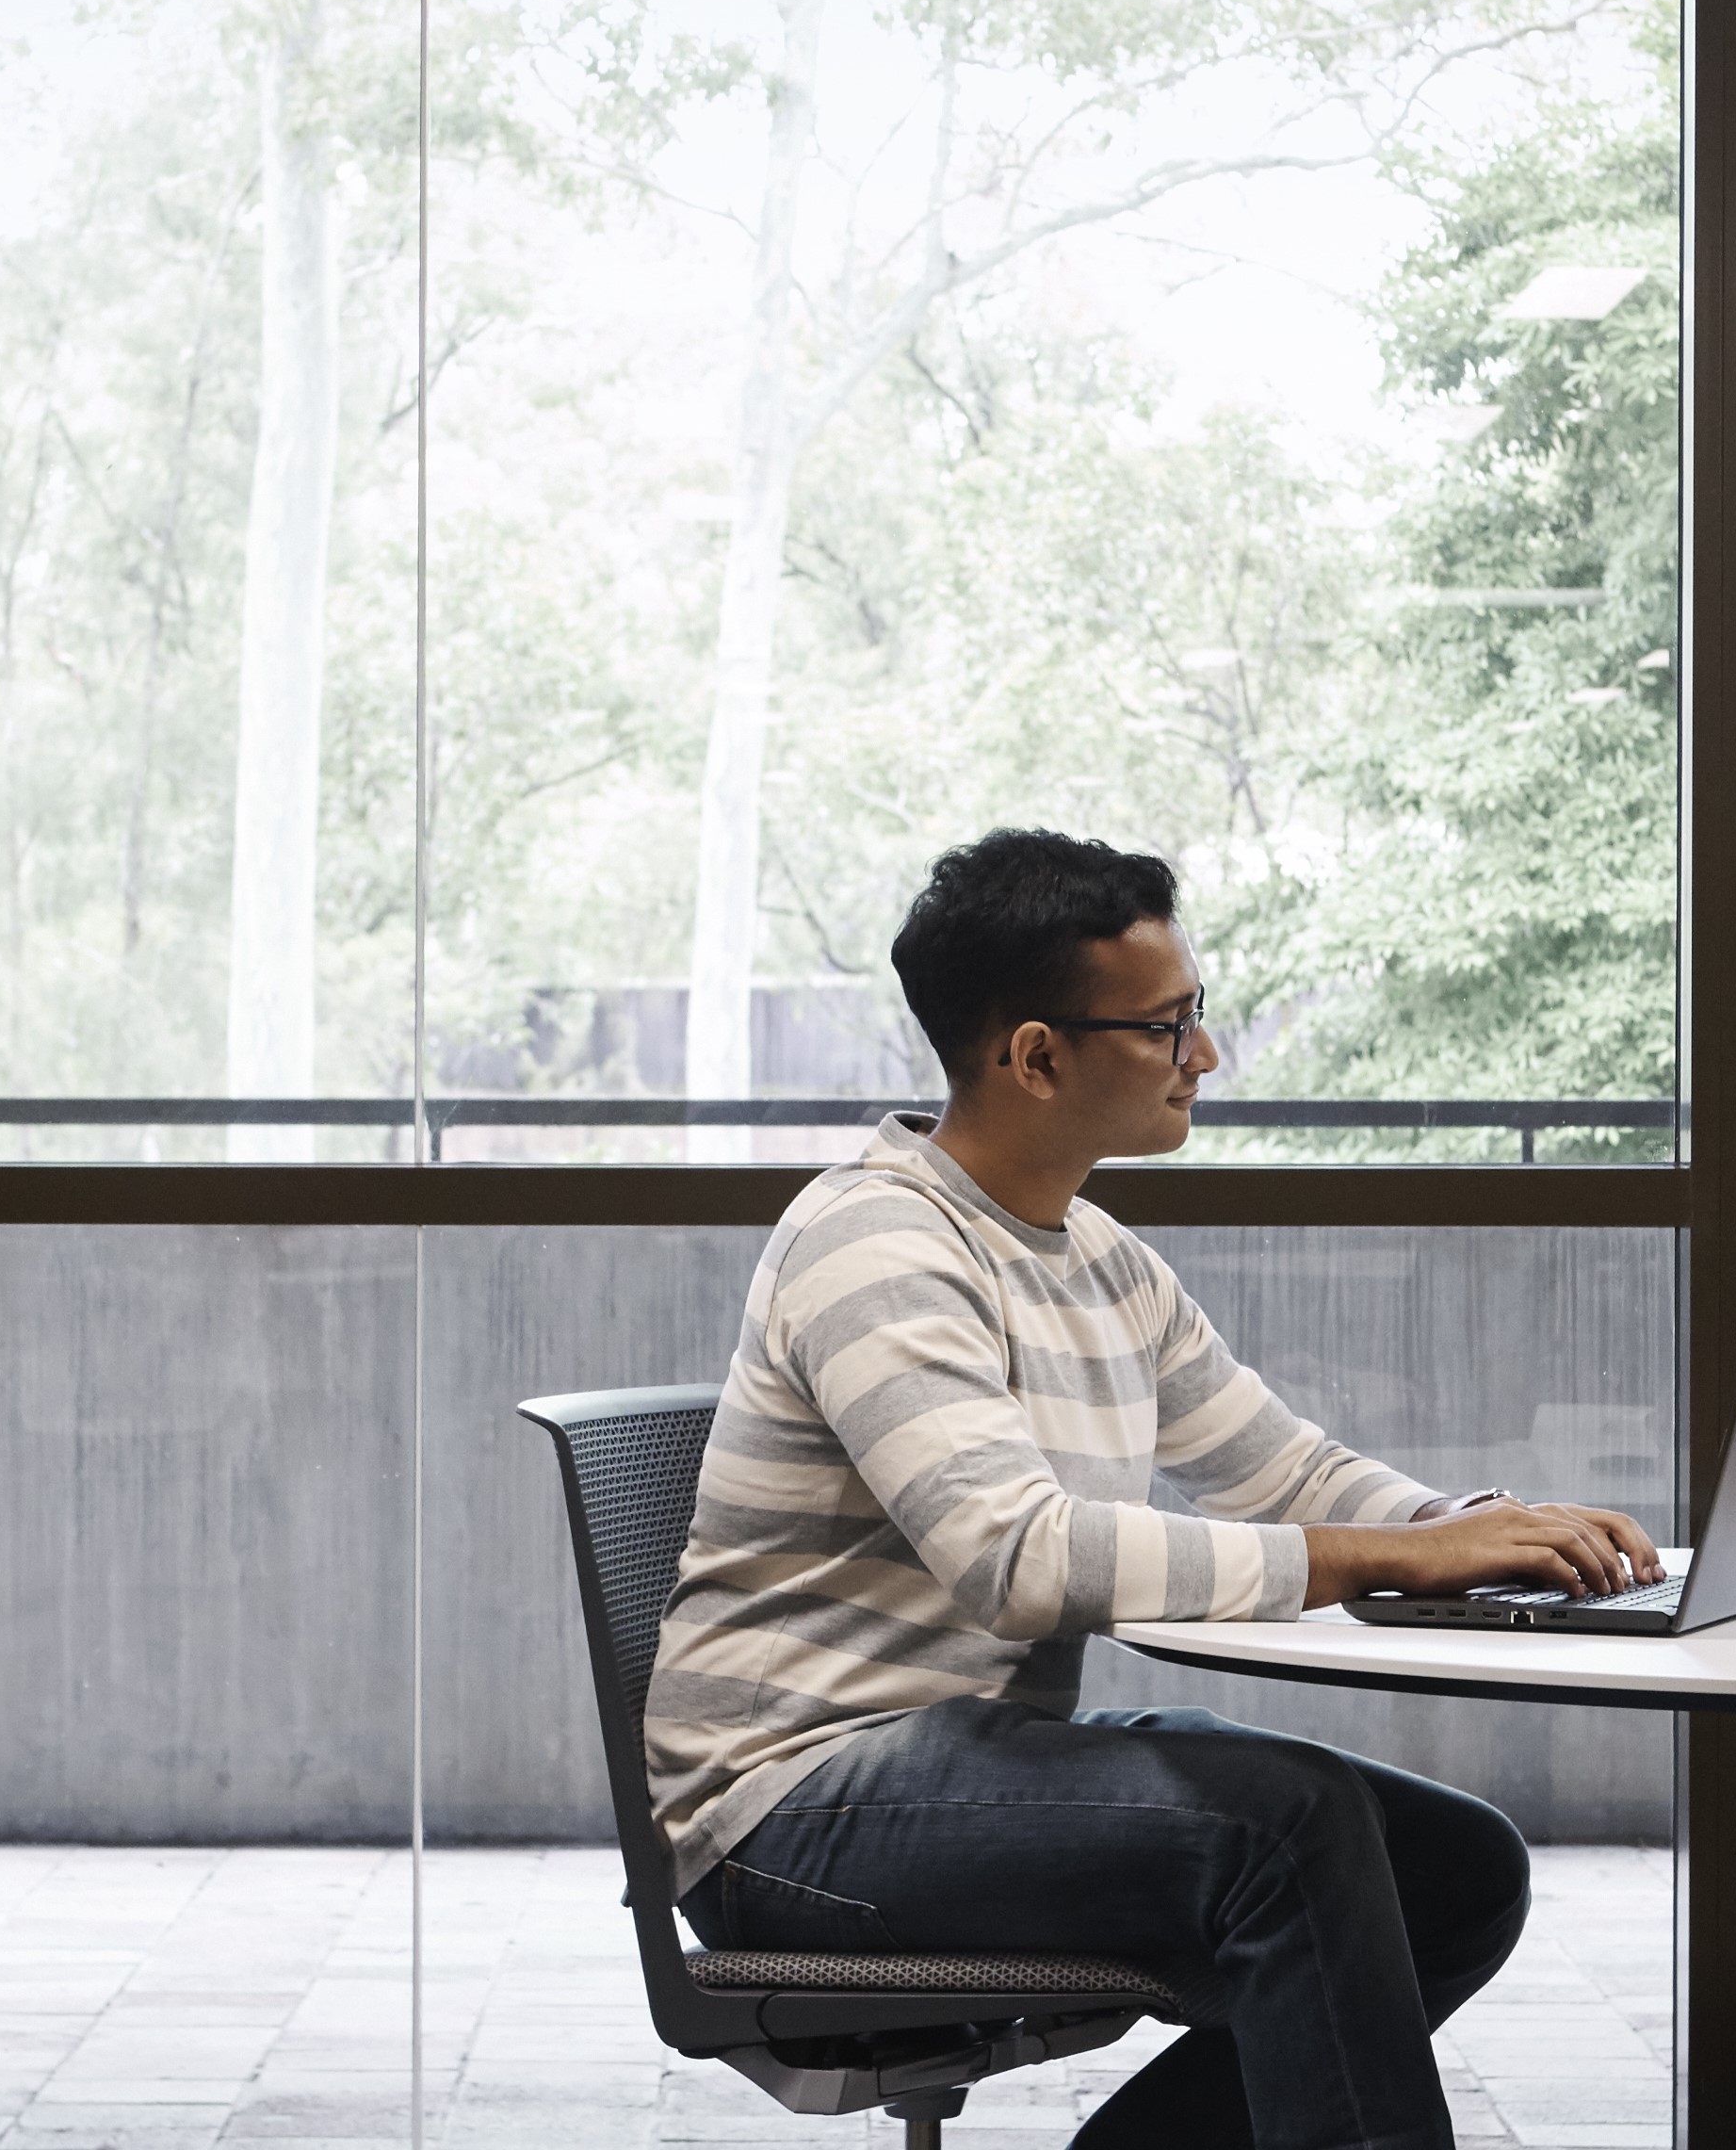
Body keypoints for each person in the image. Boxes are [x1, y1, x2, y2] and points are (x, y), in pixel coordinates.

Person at [648, 827, 1651, 2150]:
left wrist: (1460, 1530)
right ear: (1037, 1056)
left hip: (968, 1764)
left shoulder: (1097, 1258)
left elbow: (1280, 1467)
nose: (1207, 1056)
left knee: (1455, 1871)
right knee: (1285, 1831)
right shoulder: (875, 1242)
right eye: (1170, 1026)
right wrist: (1381, 1562)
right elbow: (1022, 1562)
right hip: (792, 1814)